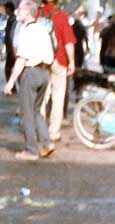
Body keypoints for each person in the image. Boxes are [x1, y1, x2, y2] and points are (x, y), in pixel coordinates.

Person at [4, 0, 54, 161]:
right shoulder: (42, 29)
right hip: (44, 72)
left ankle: (31, 150)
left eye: (20, 10)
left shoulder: (27, 32)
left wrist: (11, 81)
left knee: (27, 113)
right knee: (36, 111)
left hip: (30, 73)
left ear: (27, 13)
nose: (17, 12)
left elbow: (21, 59)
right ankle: (46, 143)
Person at [39, 0, 75, 142]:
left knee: (41, 97)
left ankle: (40, 129)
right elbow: (68, 42)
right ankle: (54, 132)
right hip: (59, 61)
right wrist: (71, 61)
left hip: (41, 61)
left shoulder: (37, 15)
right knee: (58, 97)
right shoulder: (62, 16)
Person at [4, 1, 17, 82]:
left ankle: (11, 85)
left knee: (9, 67)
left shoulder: (13, 19)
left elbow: (12, 35)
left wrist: (11, 49)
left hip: (11, 47)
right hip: (10, 47)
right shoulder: (11, 18)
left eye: (6, 8)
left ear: (9, 9)